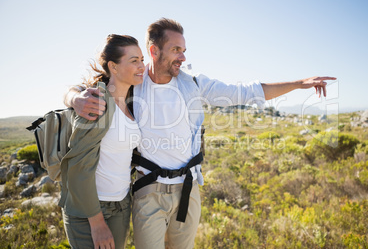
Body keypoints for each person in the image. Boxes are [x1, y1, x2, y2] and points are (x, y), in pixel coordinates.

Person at [64, 18, 336, 249]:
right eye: (176, 49)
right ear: (154, 51)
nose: (183, 57)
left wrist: (300, 84)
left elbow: (247, 92)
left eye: (184, 50)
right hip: (149, 191)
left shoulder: (193, 83)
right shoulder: (134, 79)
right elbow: (84, 88)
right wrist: (74, 98)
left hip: (188, 189)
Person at [60, 34, 145, 249]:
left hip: (121, 204)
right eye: (134, 61)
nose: (142, 66)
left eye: (142, 60)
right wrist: (96, 223)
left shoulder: (131, 102)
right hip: (90, 210)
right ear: (113, 67)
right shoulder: (97, 103)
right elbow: (77, 167)